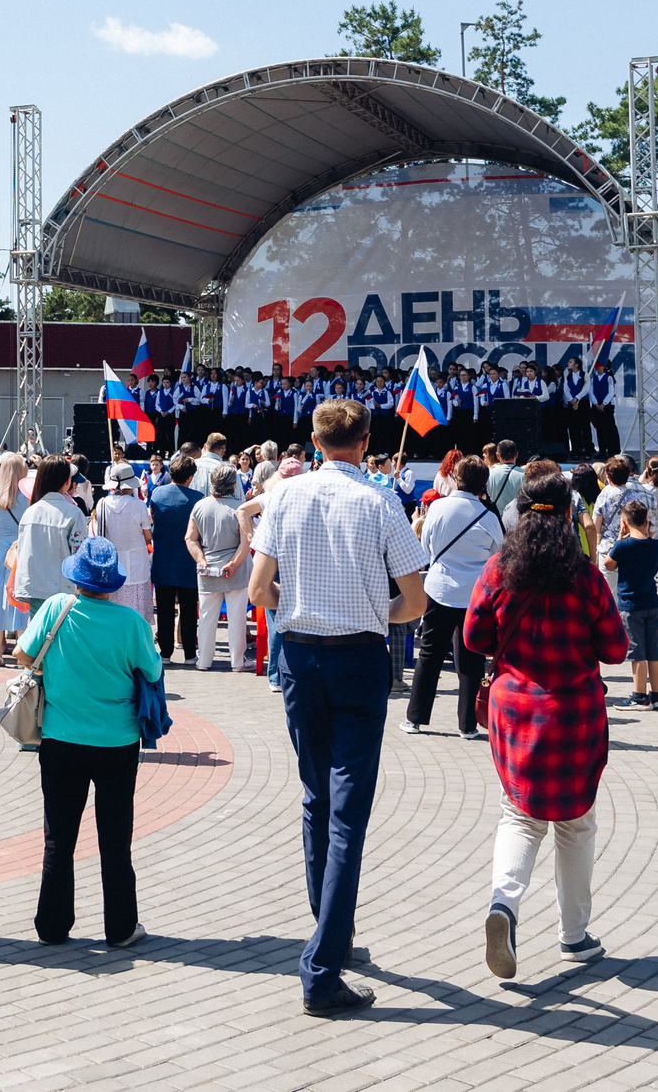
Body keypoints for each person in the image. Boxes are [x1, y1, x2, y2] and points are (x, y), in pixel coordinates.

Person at [247, 398, 428, 1016]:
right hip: (357, 657)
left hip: (299, 656)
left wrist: (294, 604)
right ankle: (323, 967)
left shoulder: (285, 496)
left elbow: (256, 589)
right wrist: (377, 615)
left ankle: (330, 932)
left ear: (316, 441)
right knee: (347, 809)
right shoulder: (381, 501)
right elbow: (416, 599)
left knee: (316, 797)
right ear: (366, 440)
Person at [463, 472, 628, 976]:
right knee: (576, 825)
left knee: (518, 816)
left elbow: (473, 637)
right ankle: (574, 937)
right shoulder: (586, 576)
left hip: (515, 712)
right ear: (569, 514)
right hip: (574, 713)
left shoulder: (498, 570)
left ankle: (503, 908)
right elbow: (617, 650)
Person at [21, 536, 164, 947]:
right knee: (115, 840)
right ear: (112, 583)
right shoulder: (131, 622)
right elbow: (152, 672)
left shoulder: (55, 609)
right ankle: (120, 928)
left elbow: (24, 655)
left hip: (61, 738)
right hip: (117, 743)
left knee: (58, 838)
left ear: (77, 578)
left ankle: (51, 925)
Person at [404, 456, 504, 738]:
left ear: (456, 478)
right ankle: (468, 725)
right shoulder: (489, 515)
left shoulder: (437, 507)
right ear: (484, 483)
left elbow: (426, 546)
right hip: (475, 594)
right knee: (471, 660)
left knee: (429, 654)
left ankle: (415, 719)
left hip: (440, 588)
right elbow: (499, 554)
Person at [187, 465, 253, 672]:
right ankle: (238, 661)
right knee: (237, 617)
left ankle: (204, 660)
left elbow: (190, 538)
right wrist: (233, 564)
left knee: (206, 617)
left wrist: (201, 559)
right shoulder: (240, 508)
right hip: (237, 569)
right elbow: (246, 542)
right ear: (233, 484)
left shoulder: (199, 506)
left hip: (207, 569)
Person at [600, 500, 658, 708]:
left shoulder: (623, 545)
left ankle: (639, 695)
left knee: (637, 651)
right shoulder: (657, 545)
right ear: (647, 521)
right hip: (652, 602)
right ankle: (655, 695)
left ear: (624, 523)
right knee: (654, 649)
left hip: (630, 604)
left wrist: (620, 538)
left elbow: (608, 565)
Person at [12, 457, 91, 612]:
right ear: (67, 480)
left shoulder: (30, 512)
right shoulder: (73, 513)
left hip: (34, 587)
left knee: (40, 633)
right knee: (63, 634)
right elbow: (79, 555)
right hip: (63, 590)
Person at [146, 458, 202, 666]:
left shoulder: (157, 493)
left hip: (163, 559)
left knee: (165, 609)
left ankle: (166, 652)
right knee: (188, 609)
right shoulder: (197, 498)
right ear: (190, 477)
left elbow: (153, 519)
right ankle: (189, 653)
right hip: (188, 561)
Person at [0, 453, 32, 667]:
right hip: (23, 550)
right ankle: (22, 652)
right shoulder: (29, 496)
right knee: (22, 599)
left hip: (2, 551)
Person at [94, 463, 154, 616]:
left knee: (114, 606)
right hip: (137, 562)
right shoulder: (139, 505)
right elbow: (148, 535)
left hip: (112, 563)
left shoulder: (102, 504)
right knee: (137, 607)